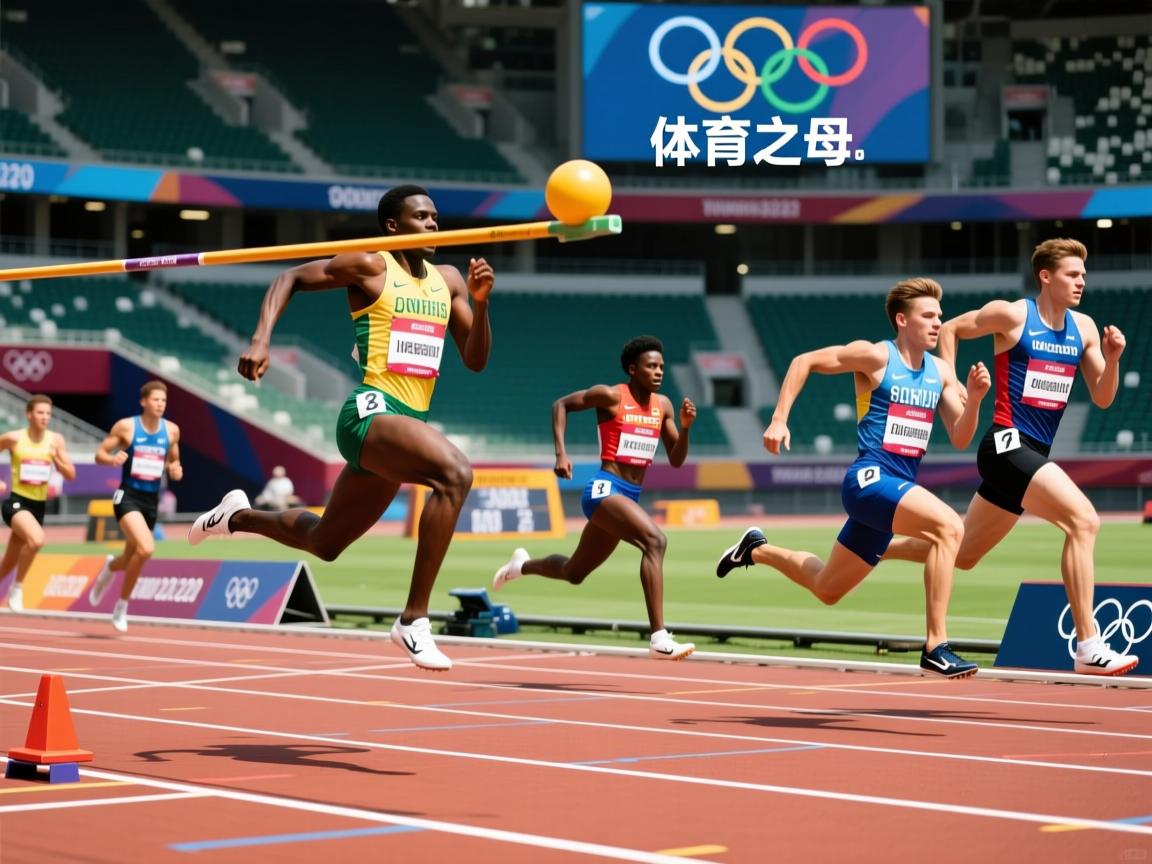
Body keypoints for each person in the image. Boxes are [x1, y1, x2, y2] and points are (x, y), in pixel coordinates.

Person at [188, 185, 495, 672]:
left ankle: (237, 516)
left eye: (436, 217)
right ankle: (414, 620)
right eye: (421, 217)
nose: (434, 224)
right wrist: (260, 339)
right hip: (369, 412)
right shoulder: (371, 265)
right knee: (455, 473)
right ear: (394, 226)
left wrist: (480, 305)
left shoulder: (450, 280)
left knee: (325, 543)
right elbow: (289, 276)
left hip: (405, 425)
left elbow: (475, 360)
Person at [884, 239, 1137, 675]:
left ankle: (874, 546)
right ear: (1046, 276)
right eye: (1072, 274)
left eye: (1083, 275)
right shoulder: (1014, 315)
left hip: (1034, 453)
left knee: (961, 554)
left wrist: (1112, 360)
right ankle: (1088, 642)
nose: (1082, 281)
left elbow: (1102, 397)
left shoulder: (1087, 329)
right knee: (1083, 520)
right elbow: (951, 329)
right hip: (1005, 442)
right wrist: (952, 385)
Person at [716, 278, 990, 678]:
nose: (937, 323)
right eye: (928, 316)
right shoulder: (876, 356)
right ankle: (936, 646)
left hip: (895, 490)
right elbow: (802, 362)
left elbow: (961, 435)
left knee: (827, 587)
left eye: (940, 316)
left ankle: (754, 550)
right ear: (902, 320)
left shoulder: (942, 373)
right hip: (869, 479)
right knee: (950, 527)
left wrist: (977, 400)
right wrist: (779, 419)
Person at [492, 335, 697, 660]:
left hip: (629, 498)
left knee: (575, 572)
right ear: (633, 369)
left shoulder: (664, 406)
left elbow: (676, 459)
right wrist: (561, 453)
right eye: (651, 366)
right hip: (604, 489)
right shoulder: (612, 395)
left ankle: (521, 566)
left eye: (661, 366)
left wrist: (684, 428)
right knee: (655, 542)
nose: (658, 371)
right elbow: (560, 405)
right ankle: (659, 636)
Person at [88, 380, 183, 632]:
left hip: (151, 501)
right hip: (127, 496)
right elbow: (99, 454)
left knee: (131, 557)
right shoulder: (127, 427)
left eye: (164, 401)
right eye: (156, 400)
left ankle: (109, 567)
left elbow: (174, 459)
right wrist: (111, 458)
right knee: (146, 548)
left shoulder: (172, 430)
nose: (160, 404)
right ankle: (122, 605)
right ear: (144, 401)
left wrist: (175, 468)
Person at [0, 395, 76, 611]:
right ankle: (17, 587)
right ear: (29, 414)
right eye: (40, 413)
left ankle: (11, 581)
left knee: (7, 563)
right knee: (37, 540)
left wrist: (58, 460)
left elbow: (71, 474)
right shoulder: (13, 438)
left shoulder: (56, 440)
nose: (45, 417)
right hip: (16, 502)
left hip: (38, 507)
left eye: (48, 414)